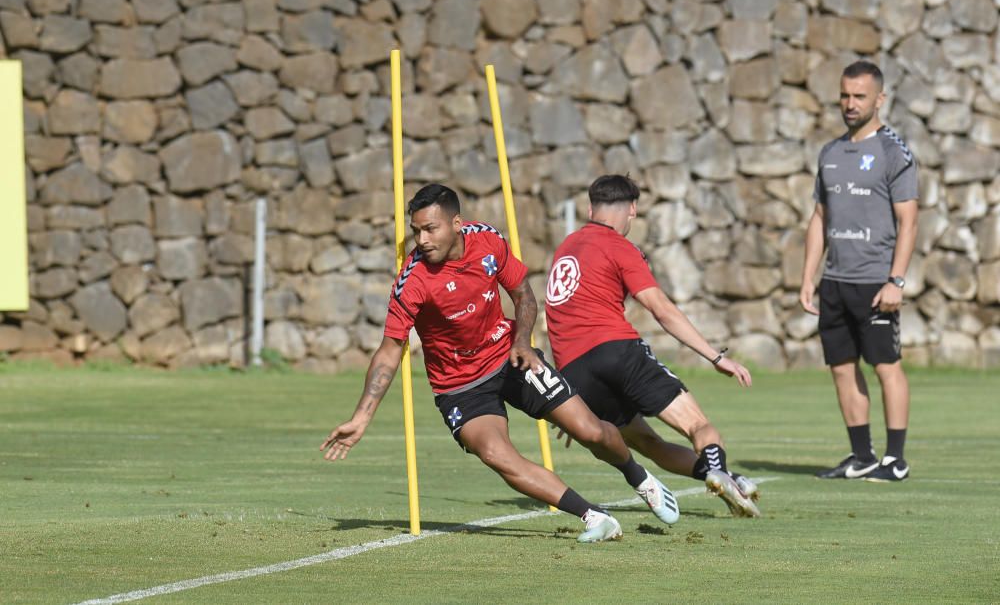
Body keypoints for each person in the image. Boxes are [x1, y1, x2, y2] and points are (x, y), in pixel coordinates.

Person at [320, 183, 679, 544]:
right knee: (495, 453)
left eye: (431, 229)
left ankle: (638, 477)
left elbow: (523, 294)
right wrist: (362, 417)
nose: (422, 239)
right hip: (459, 386)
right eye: (416, 231)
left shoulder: (487, 241)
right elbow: (389, 350)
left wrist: (523, 341)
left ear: (456, 223)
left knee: (591, 431)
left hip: (511, 356)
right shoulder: (412, 281)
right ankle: (593, 516)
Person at [544, 174, 761, 518]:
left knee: (648, 443)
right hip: (617, 351)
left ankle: (723, 477)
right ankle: (719, 469)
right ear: (632, 209)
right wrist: (716, 357)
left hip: (576, 372)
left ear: (589, 209)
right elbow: (661, 309)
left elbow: (558, 314)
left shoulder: (566, 248)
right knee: (697, 426)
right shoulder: (620, 246)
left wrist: (569, 400)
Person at [800, 60, 918, 482]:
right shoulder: (830, 152)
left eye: (859, 96)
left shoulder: (893, 152)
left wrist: (896, 279)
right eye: (845, 96)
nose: (850, 104)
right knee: (842, 368)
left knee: (886, 366)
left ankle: (895, 460)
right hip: (835, 282)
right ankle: (861, 455)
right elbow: (819, 218)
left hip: (875, 282)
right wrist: (808, 276)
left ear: (879, 99)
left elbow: (909, 221)